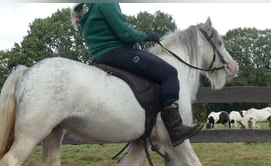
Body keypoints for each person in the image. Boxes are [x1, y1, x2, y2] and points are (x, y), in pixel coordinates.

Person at [71, 3, 203, 147]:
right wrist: (147, 36)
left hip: (99, 56)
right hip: (116, 52)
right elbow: (125, 33)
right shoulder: (106, 3)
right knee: (169, 73)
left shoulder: (86, 6)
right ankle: (175, 127)